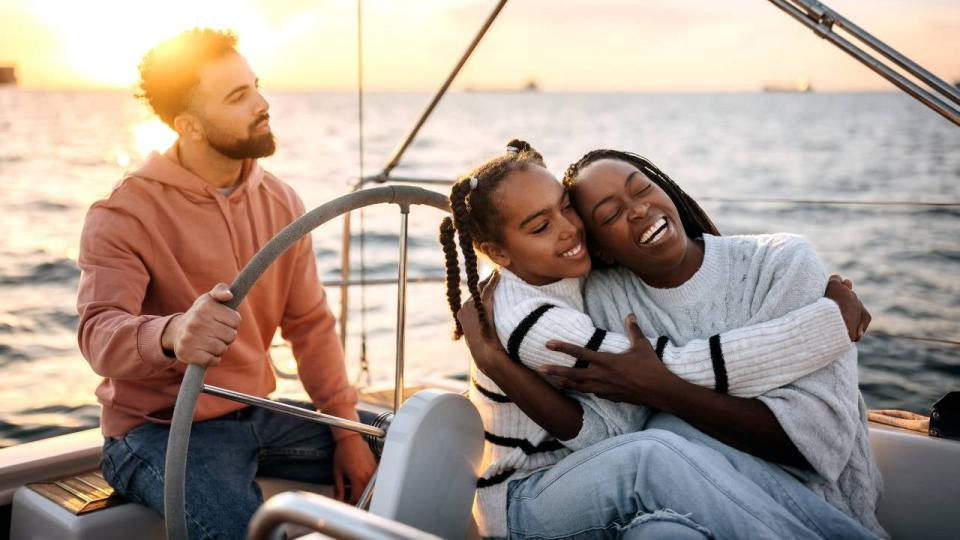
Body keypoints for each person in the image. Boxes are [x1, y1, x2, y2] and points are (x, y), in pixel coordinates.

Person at [443, 141, 879, 538]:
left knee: (662, 509)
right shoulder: (533, 319)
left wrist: (656, 388)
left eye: (565, 208)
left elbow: (628, 407)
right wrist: (829, 325)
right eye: (541, 226)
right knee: (651, 454)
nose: (568, 229)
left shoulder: (573, 284)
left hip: (585, 476)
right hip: (527, 499)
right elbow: (668, 369)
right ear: (499, 253)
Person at [75, 28, 376, 539]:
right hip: (158, 432)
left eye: (255, 86)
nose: (262, 104)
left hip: (261, 414)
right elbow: (98, 335)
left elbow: (309, 325)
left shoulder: (281, 201)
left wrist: (346, 430)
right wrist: (172, 334)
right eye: (239, 97)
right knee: (240, 530)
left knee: (412, 448)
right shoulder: (123, 212)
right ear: (189, 126)